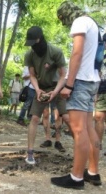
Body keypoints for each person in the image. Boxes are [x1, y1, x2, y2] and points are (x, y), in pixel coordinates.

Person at [51, 1, 101, 189]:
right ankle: (93, 173)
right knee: (89, 129)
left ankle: (76, 178)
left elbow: (77, 53)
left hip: (80, 81)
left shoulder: (80, 22)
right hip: (93, 81)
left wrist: (69, 84)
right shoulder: (93, 23)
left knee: (79, 131)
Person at [24, 26, 69, 166]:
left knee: (66, 117)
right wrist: (37, 90)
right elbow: (32, 75)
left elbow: (63, 75)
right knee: (35, 118)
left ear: (39, 39)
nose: (32, 47)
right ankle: (30, 153)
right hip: (42, 89)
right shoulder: (29, 55)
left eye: (33, 43)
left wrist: (55, 92)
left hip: (57, 87)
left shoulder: (55, 51)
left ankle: (81, 148)